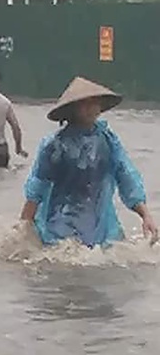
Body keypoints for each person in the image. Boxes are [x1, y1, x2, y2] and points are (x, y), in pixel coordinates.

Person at [19, 76, 159, 248]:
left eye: (94, 102)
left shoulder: (108, 140)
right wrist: (23, 229)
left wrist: (145, 215)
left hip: (100, 223)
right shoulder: (55, 145)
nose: (91, 108)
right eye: (84, 103)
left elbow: (126, 175)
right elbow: (37, 188)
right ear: (72, 109)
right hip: (60, 223)